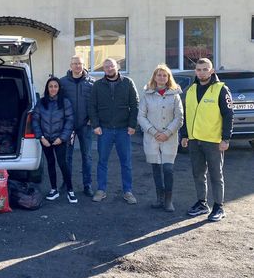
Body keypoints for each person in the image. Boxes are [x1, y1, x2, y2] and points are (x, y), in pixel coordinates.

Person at [181, 58, 233, 222]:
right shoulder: (190, 90)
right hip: (195, 140)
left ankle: (219, 206)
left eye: (205, 69)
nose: (202, 72)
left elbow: (228, 115)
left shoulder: (221, 89)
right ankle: (202, 203)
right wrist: (184, 135)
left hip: (213, 141)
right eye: (199, 69)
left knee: (216, 175)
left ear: (212, 71)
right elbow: (186, 114)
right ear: (195, 71)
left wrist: (226, 138)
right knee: (198, 173)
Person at [88, 58, 139, 204]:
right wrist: (96, 125)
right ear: (103, 69)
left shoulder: (127, 83)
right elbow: (92, 106)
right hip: (104, 130)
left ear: (117, 66)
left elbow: (135, 104)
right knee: (102, 162)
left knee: (126, 162)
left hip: (124, 129)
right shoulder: (98, 85)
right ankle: (101, 190)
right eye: (106, 67)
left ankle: (128, 191)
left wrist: (132, 125)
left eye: (111, 66)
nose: (109, 68)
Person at [138, 64, 183, 212]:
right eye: (159, 75)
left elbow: (179, 117)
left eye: (164, 75)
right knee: (156, 168)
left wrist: (167, 133)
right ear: (154, 77)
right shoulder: (147, 95)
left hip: (169, 138)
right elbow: (141, 116)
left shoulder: (175, 95)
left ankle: (169, 200)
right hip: (152, 138)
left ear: (168, 77)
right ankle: (160, 198)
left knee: (168, 169)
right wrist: (153, 132)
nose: (162, 77)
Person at [32, 76, 76, 203]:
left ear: (59, 88)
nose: (53, 89)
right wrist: (41, 137)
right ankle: (54, 189)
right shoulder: (41, 102)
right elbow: (35, 120)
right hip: (45, 139)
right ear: (47, 88)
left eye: (55, 86)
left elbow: (69, 121)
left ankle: (70, 190)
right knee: (50, 164)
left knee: (63, 164)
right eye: (50, 86)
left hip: (59, 140)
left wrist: (62, 138)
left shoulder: (65, 102)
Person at [60, 55, 94, 197]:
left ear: (83, 65)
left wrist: (93, 118)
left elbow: (95, 103)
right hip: (69, 127)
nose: (77, 66)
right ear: (70, 65)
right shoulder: (62, 82)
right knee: (67, 156)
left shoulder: (91, 83)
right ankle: (66, 183)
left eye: (79, 63)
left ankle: (87, 185)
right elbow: (57, 102)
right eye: (74, 63)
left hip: (86, 125)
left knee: (87, 156)